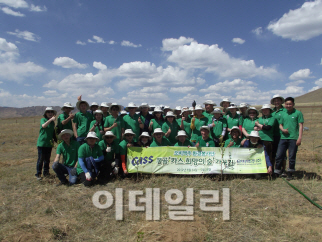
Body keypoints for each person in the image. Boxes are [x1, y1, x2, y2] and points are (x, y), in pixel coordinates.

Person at [274, 97, 304, 180]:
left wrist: (299, 138)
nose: (288, 105)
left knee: (291, 156)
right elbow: (280, 124)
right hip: (283, 137)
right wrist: (283, 129)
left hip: (293, 138)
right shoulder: (283, 113)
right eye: (286, 104)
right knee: (279, 155)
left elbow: (301, 126)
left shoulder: (298, 113)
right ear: (285, 104)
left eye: (290, 104)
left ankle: (290, 173)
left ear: (293, 104)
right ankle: (277, 172)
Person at [36, 107, 57, 180]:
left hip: (49, 143)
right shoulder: (43, 120)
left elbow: (53, 133)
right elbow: (44, 126)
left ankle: (46, 172)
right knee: (40, 159)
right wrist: (51, 119)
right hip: (42, 143)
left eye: (51, 112)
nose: (50, 113)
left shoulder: (52, 123)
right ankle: (38, 173)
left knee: (47, 159)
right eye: (48, 112)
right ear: (45, 113)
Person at [254, 104, 276, 168]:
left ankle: (270, 171)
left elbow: (268, 128)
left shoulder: (272, 118)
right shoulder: (260, 119)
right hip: (259, 139)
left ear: (269, 110)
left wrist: (259, 125)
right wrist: (263, 127)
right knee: (260, 156)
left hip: (268, 139)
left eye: (266, 110)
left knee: (268, 156)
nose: (265, 111)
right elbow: (255, 128)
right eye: (263, 110)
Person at [271, 94, 287, 173]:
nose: (276, 102)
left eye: (278, 100)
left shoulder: (285, 111)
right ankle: (274, 169)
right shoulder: (272, 111)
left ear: (281, 101)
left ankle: (283, 169)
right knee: (273, 153)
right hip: (273, 135)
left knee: (282, 154)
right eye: (275, 101)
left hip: (282, 135)